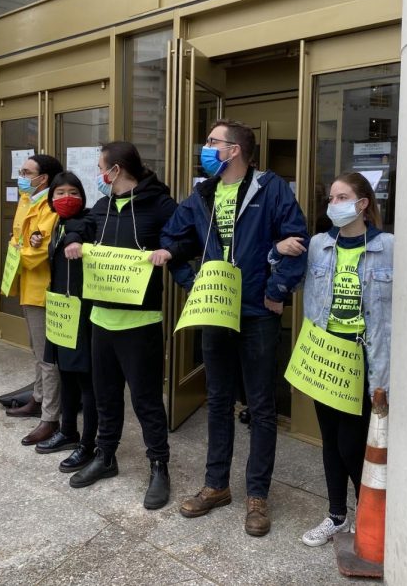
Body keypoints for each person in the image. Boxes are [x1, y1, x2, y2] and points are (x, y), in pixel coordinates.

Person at [159, 119, 308, 536]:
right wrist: (192, 283)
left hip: (258, 313)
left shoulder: (271, 188)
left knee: (260, 406)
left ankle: (257, 495)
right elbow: (173, 240)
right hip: (214, 310)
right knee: (219, 399)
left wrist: (277, 289)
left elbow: (297, 240)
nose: (205, 148)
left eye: (212, 142)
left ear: (235, 150)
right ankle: (216, 485)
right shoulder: (202, 193)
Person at [64, 142, 177, 510]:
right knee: (104, 396)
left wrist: (168, 251)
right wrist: (75, 240)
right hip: (101, 319)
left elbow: (184, 235)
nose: (99, 175)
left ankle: (159, 465)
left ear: (117, 169)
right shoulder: (103, 204)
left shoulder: (159, 204)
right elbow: (79, 225)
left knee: (145, 400)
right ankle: (105, 456)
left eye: (102, 168)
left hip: (140, 321)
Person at [297, 172, 393, 547]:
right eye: (331, 198)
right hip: (325, 355)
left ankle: (367, 512)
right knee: (330, 440)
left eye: (342, 197)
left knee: (353, 445)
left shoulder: (388, 247)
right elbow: (291, 278)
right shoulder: (319, 245)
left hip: (364, 359)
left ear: (363, 204)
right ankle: (336, 515)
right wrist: (278, 252)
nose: (333, 204)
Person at [3, 155, 65, 448]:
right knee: (36, 350)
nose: (21, 176)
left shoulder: (51, 206)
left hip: (43, 288)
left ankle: (51, 416)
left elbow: (38, 251)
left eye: (27, 172)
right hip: (27, 284)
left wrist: (21, 249)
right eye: (21, 171)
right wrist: (20, 248)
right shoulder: (27, 201)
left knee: (47, 357)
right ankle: (39, 400)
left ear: (45, 178)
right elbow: (17, 240)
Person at [40, 171, 97, 471]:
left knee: (86, 380)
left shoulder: (85, 222)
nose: (66, 198)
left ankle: (89, 442)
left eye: (73, 192)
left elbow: (85, 226)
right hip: (61, 313)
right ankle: (68, 431)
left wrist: (76, 235)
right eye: (59, 193)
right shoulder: (57, 226)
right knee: (67, 374)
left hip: (82, 312)